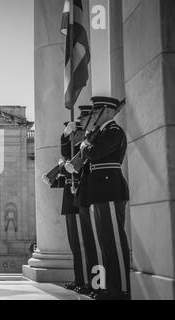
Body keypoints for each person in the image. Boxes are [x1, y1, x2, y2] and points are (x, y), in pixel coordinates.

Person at [80, 96, 130, 300]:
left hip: (109, 188)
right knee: (105, 242)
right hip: (100, 190)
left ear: (108, 112)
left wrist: (85, 146)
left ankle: (121, 289)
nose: (93, 116)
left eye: (96, 112)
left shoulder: (114, 131)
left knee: (114, 241)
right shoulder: (99, 132)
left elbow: (95, 152)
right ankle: (111, 287)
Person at [60, 105, 99, 295]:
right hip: (72, 196)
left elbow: (78, 159)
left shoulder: (87, 144)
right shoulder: (77, 145)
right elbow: (67, 155)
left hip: (82, 194)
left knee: (85, 243)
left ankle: (87, 281)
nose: (72, 136)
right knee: (76, 244)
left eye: (75, 131)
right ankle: (80, 279)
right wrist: (64, 138)